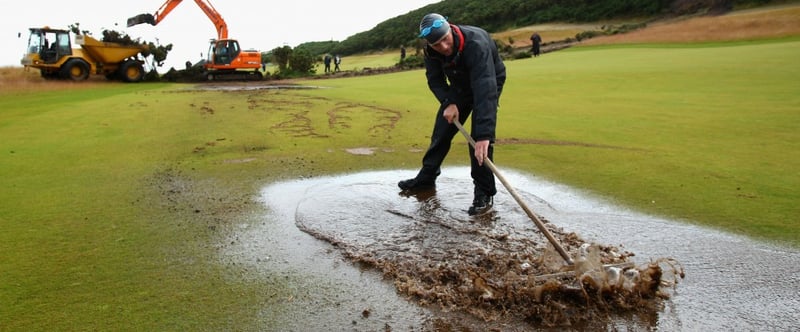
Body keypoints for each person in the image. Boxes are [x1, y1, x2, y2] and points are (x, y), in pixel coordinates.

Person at [398, 13, 506, 216]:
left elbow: (485, 90)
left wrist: (484, 135)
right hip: (460, 85)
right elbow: (435, 79)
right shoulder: (431, 51)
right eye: (437, 44)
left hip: (489, 79)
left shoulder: (476, 43)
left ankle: (484, 192)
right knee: (442, 131)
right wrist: (449, 103)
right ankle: (426, 177)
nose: (444, 47)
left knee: (478, 142)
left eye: (445, 40)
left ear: (450, 28)